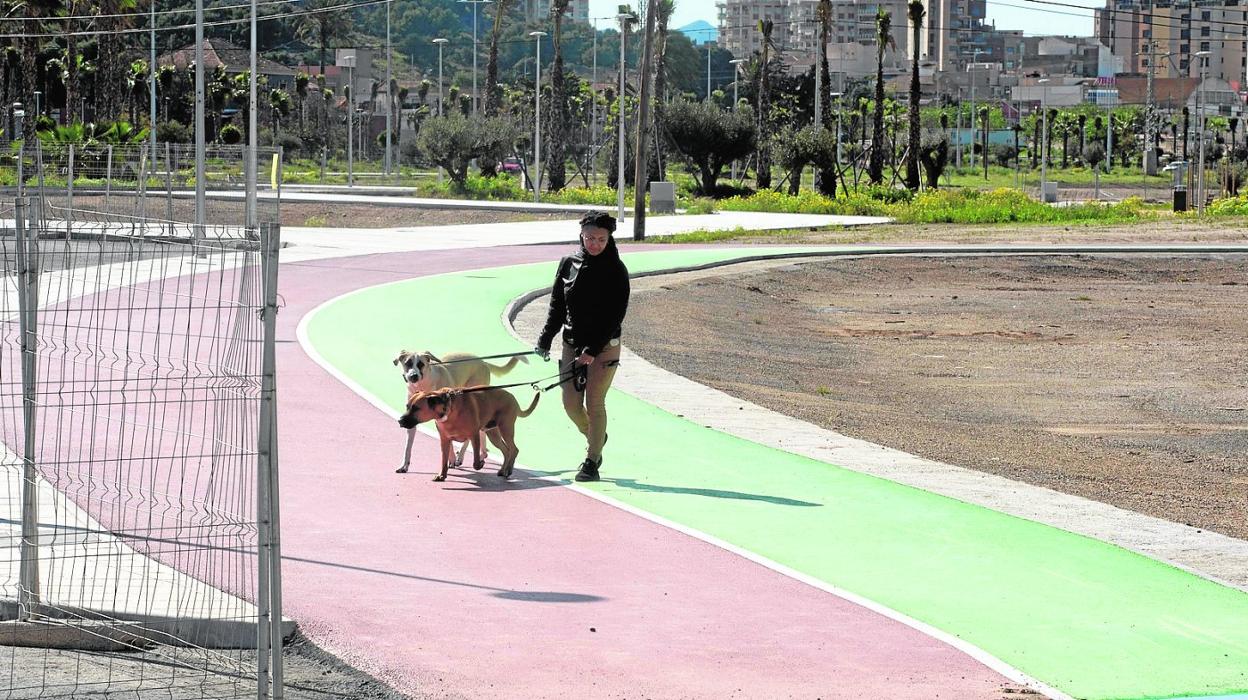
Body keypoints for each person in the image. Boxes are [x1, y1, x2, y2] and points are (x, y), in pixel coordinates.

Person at [534, 211, 630, 482]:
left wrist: (593, 349)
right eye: (589, 238)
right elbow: (556, 305)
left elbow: (616, 315)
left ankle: (591, 460)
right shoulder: (568, 263)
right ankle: (596, 436)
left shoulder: (616, 270)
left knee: (595, 401)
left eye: (601, 239)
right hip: (571, 343)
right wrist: (545, 338)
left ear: (609, 238)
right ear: (581, 236)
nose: (594, 244)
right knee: (570, 404)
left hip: (605, 346)